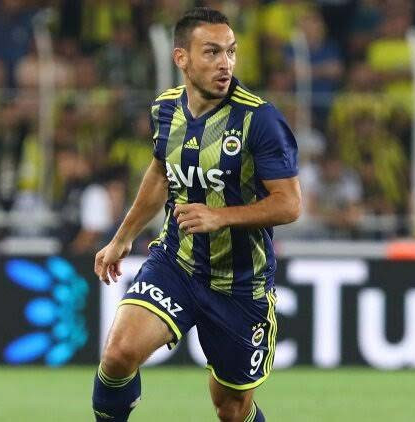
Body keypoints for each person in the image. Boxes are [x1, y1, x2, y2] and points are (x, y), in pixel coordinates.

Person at [91, 7, 301, 422]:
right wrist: (122, 237)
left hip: (240, 282)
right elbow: (160, 173)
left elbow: (289, 204)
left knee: (231, 410)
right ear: (181, 58)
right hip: (178, 262)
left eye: (231, 51)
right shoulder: (165, 109)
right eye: (212, 52)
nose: (225, 63)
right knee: (118, 354)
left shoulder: (259, 119)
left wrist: (221, 217)